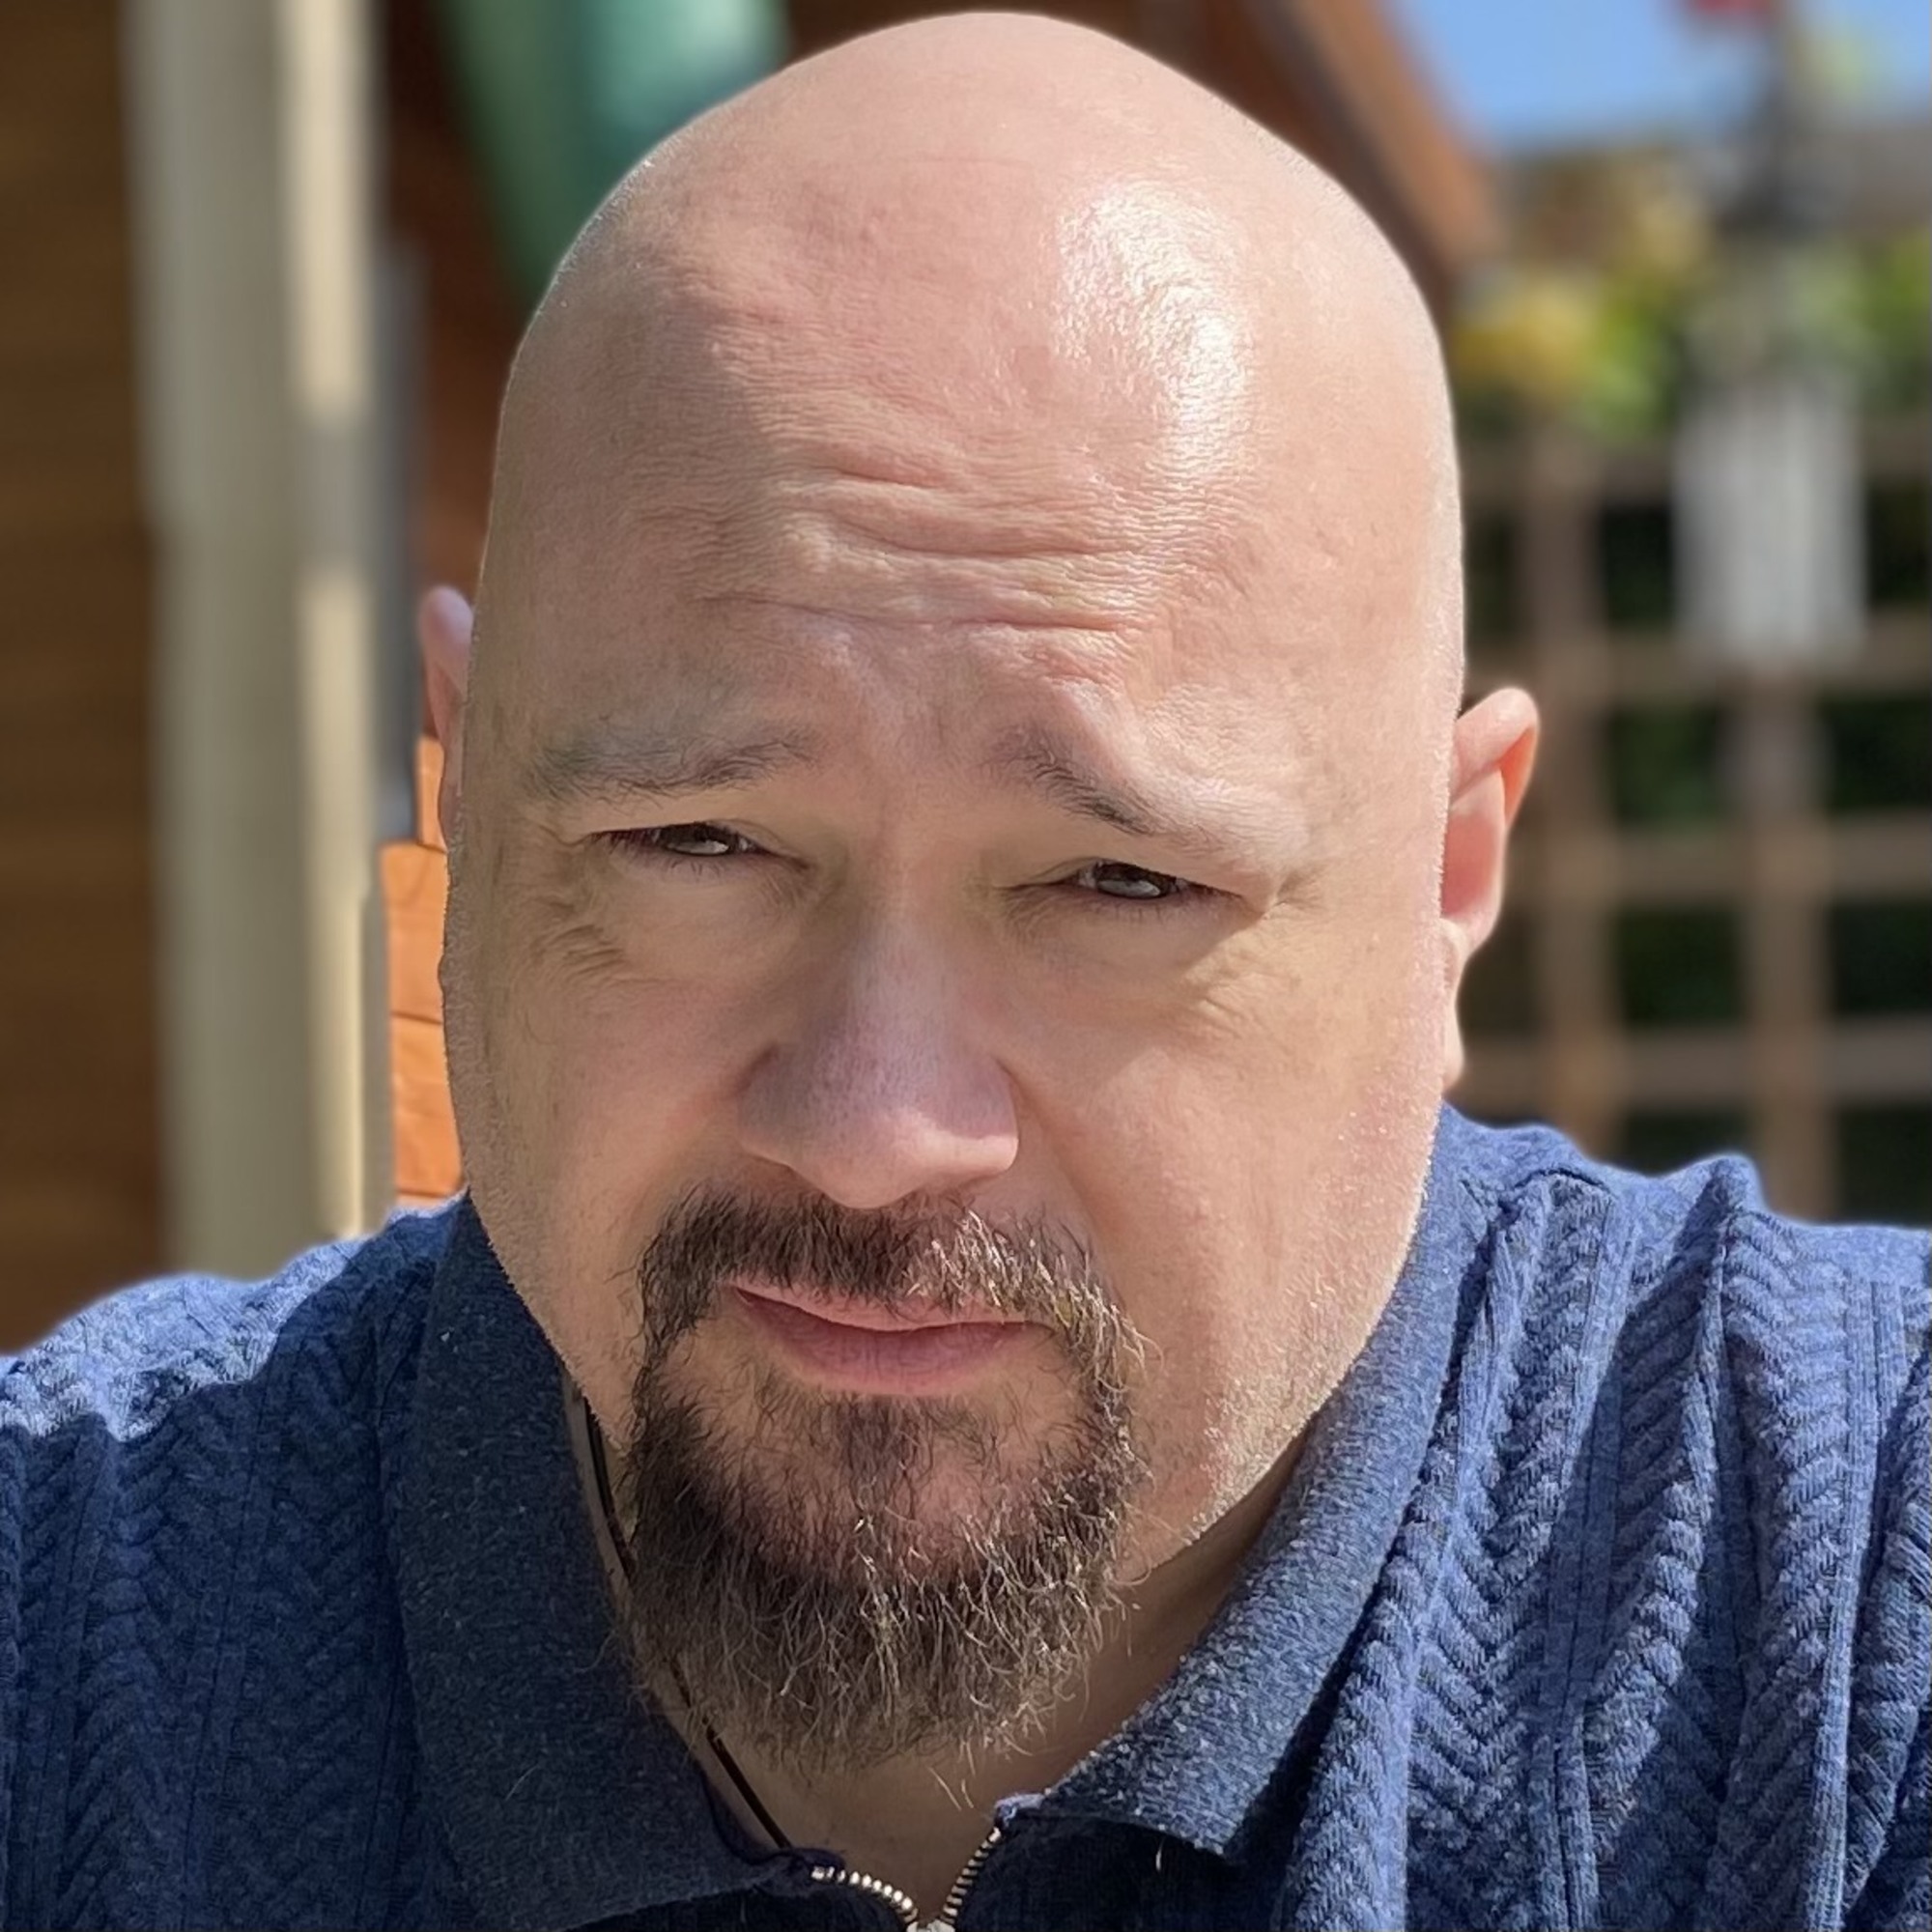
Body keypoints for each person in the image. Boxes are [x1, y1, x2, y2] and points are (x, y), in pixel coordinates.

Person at [3, 14, 1925, 1930]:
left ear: (1446, 884)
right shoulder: (65, 1623)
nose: (873, 1130)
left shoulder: (1860, 1602)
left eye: (1118, 881)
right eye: (700, 844)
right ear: (466, 786)